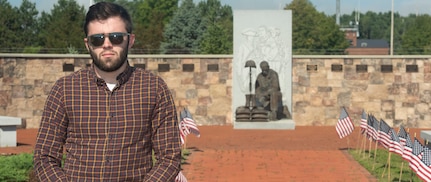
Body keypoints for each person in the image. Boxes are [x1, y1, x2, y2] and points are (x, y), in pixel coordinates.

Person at [33, 2, 181, 181]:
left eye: (116, 37)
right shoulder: (64, 89)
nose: (107, 44)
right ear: (88, 44)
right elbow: (44, 157)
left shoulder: (154, 88)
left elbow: (169, 157)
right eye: (98, 39)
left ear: (131, 40)